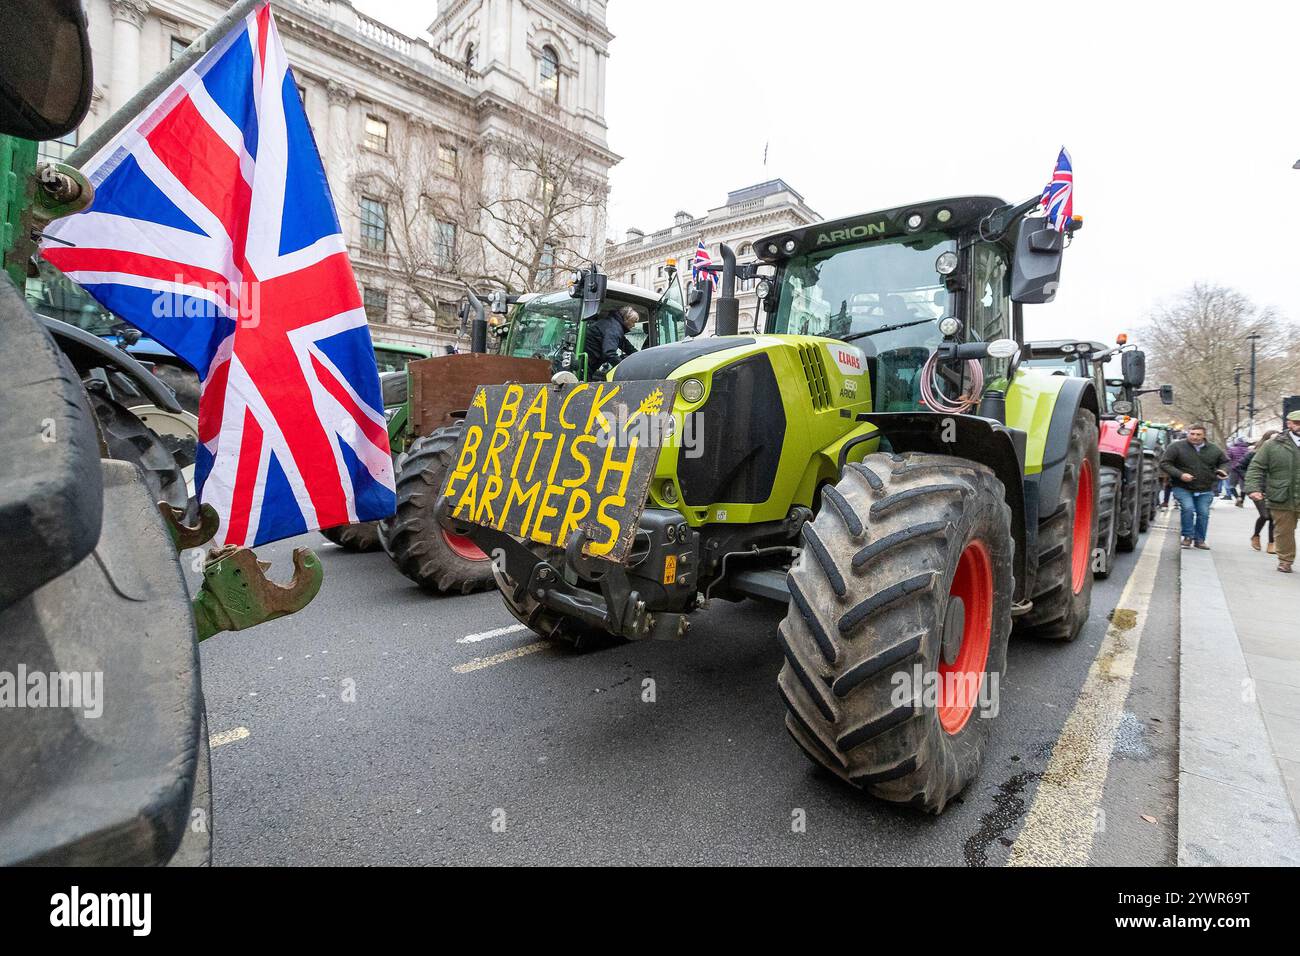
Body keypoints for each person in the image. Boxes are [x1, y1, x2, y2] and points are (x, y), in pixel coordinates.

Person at [1245, 411, 1300, 573]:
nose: (1299, 426)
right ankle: (1285, 560)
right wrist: (1253, 488)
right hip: (1282, 495)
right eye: (1296, 423)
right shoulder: (1273, 445)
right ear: (1289, 424)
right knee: (1284, 532)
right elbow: (1256, 467)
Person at [1160, 424, 1230, 550]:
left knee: (1203, 513)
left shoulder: (1214, 449)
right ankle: (1187, 537)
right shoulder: (1176, 447)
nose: (1195, 437)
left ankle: (1200, 540)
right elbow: (1165, 463)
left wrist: (1222, 471)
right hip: (1182, 486)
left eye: (1198, 434)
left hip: (1205, 487)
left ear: (1204, 436)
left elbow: (1224, 462)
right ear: (1188, 433)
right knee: (1188, 508)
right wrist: (1180, 475)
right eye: (1192, 434)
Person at [1242, 431, 1278, 553]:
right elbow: (1239, 467)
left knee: (1273, 516)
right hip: (1258, 488)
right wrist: (1250, 482)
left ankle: (1271, 543)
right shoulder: (1254, 454)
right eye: (1272, 438)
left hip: (1274, 489)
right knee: (1265, 515)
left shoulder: (1278, 454)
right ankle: (1256, 535)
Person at [584, 305, 639, 373]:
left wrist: (639, 355)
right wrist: (624, 369)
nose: (634, 325)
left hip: (590, 362)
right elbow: (609, 353)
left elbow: (626, 345)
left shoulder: (614, 325)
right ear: (626, 319)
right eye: (633, 322)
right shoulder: (614, 329)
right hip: (587, 364)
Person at [1227, 437, 1250, 505]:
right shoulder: (1248, 450)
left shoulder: (1231, 449)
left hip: (1234, 469)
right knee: (1243, 487)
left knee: (1231, 485)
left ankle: (1237, 498)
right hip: (1244, 470)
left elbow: (1227, 458)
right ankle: (1242, 500)